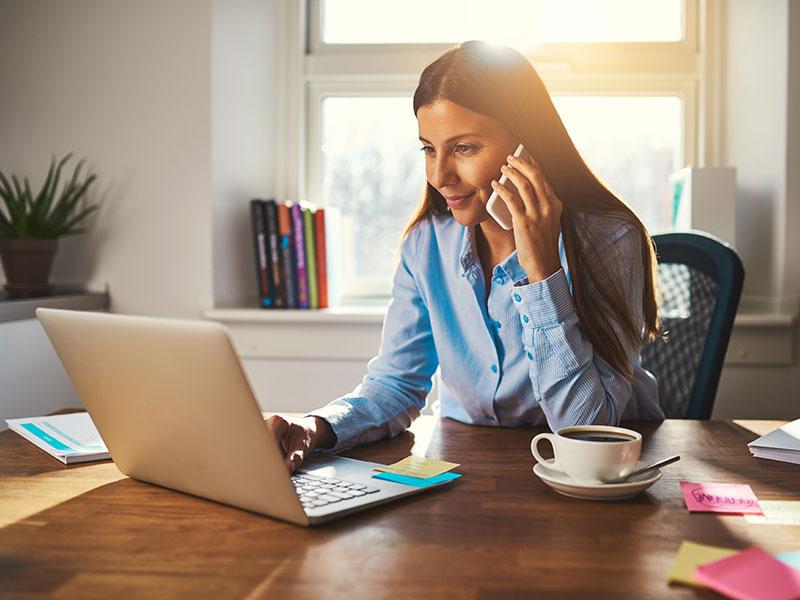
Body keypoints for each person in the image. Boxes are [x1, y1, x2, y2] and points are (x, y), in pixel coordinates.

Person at [267, 40, 665, 471]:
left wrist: (542, 272)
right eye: (429, 149)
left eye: (465, 148)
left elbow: (587, 429)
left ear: (526, 148)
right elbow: (396, 385)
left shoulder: (608, 240)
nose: (440, 175)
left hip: (598, 482)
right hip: (465, 472)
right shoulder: (426, 244)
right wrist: (314, 426)